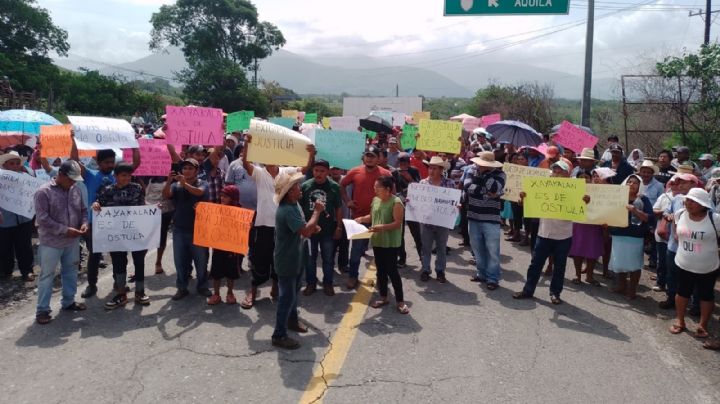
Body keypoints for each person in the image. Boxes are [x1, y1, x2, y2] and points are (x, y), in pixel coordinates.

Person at [239, 135, 312, 309]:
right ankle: (253, 290)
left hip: (282, 226)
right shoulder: (259, 172)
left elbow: (304, 168)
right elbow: (245, 165)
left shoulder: (287, 172)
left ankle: (274, 288)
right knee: (258, 258)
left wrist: (310, 154)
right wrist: (247, 143)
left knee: (278, 259)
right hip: (263, 224)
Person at [513, 161, 590, 304]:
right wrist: (523, 198)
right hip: (544, 233)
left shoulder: (575, 190)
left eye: (560, 172)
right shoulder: (543, 187)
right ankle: (528, 290)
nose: (557, 174)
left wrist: (585, 201)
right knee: (536, 264)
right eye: (555, 171)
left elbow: (582, 208)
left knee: (559, 267)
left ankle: (555, 293)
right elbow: (524, 204)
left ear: (568, 175)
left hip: (564, 236)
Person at [72, 141, 140, 299]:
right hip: (94, 223)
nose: (110, 165)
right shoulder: (89, 175)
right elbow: (74, 161)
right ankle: (91, 285)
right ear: (98, 162)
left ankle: (119, 282)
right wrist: (74, 141)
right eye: (106, 162)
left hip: (117, 223)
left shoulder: (119, 175)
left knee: (119, 254)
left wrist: (134, 144)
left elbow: (136, 163)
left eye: (112, 161)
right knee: (94, 255)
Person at [272, 172, 324, 350]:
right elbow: (305, 231)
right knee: (286, 297)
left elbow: (303, 228)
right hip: (287, 259)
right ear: (288, 191)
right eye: (296, 186)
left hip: (296, 256)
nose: (299, 188)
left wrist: (311, 226)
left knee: (293, 293)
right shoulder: (287, 210)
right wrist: (317, 212)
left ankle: (292, 321)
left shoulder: (294, 205)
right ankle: (278, 334)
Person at [34, 161, 88, 324]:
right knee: (47, 275)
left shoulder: (75, 190)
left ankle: (69, 301)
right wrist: (66, 230)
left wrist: (84, 223)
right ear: (61, 175)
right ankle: (42, 310)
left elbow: (83, 210)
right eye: (70, 179)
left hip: (72, 241)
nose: (73, 183)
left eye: (74, 180)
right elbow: (43, 219)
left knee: (71, 271)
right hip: (51, 242)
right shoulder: (43, 192)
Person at [91, 162, 149, 308]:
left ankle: (140, 292)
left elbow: (142, 206)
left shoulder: (136, 188)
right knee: (118, 262)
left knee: (139, 261)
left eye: (129, 175)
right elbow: (98, 203)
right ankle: (121, 293)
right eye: (124, 175)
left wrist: (153, 209)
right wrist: (96, 205)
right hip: (116, 235)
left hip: (135, 232)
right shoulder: (107, 190)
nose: (127, 178)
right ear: (116, 176)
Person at [668, 188, 719, 340]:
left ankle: (702, 325)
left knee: (706, 296)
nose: (689, 204)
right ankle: (680, 320)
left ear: (703, 205)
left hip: (708, 266)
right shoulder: (680, 214)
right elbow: (676, 233)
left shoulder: (715, 218)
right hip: (684, 263)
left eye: (694, 201)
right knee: (682, 292)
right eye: (688, 200)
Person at [340, 146, 392, 289]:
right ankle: (352, 276)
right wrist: (347, 201)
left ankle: (381, 277)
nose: (369, 158)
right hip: (359, 219)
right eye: (367, 155)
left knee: (380, 251)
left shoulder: (386, 174)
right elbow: (342, 185)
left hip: (379, 220)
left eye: (373, 156)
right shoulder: (355, 171)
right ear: (363, 157)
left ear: (378, 158)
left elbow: (392, 194)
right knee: (356, 250)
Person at [355, 175, 409, 314]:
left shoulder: (396, 202)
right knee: (381, 271)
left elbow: (397, 223)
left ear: (387, 189)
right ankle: (384, 297)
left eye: (377, 187)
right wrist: (361, 219)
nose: (375, 190)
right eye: (374, 187)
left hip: (390, 242)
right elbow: (372, 217)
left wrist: (381, 227)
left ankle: (400, 301)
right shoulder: (376, 200)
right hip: (378, 241)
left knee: (392, 271)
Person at [162, 158, 210, 300]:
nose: (187, 171)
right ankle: (182, 288)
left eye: (190, 168)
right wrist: (169, 181)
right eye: (184, 168)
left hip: (199, 229)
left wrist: (185, 184)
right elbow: (166, 195)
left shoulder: (203, 183)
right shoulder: (176, 186)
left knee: (201, 261)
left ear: (197, 171)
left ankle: (202, 286)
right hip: (179, 229)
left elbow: (199, 193)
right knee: (180, 261)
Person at [656, 173, 701, 309]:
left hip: (694, 247)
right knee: (673, 274)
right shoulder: (676, 199)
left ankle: (695, 304)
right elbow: (666, 213)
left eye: (684, 182)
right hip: (674, 246)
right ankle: (672, 298)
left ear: (694, 184)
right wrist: (666, 218)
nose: (680, 185)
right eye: (678, 182)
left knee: (694, 276)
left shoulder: (703, 201)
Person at [464, 151, 506, 290]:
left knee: (492, 250)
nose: (480, 166)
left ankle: (492, 278)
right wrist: (488, 194)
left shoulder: (500, 174)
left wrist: (486, 175)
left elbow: (494, 188)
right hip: (473, 215)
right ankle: (481, 273)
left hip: (491, 218)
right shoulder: (471, 170)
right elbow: (467, 187)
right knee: (477, 248)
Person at [301, 160, 343, 297]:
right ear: (313, 171)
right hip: (309, 230)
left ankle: (328, 284)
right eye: (316, 170)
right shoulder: (305, 186)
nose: (319, 174)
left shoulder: (334, 187)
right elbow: (299, 208)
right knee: (309, 258)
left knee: (328, 259)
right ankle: (311, 283)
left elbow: (338, 208)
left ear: (328, 172)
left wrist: (338, 227)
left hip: (328, 230)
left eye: (322, 171)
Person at [608, 174, 653, 300]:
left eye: (635, 183)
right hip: (619, 234)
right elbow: (610, 212)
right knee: (620, 262)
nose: (631, 184)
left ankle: (632, 290)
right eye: (629, 182)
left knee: (634, 265)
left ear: (640, 186)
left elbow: (648, 218)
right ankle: (622, 286)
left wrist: (635, 211)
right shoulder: (618, 198)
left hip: (635, 236)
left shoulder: (643, 200)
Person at [419, 156, 456, 283]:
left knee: (441, 247)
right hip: (427, 221)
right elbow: (418, 202)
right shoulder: (422, 183)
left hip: (443, 221)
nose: (431, 171)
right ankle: (425, 270)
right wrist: (411, 202)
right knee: (426, 247)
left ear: (441, 170)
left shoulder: (449, 183)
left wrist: (456, 205)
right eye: (430, 168)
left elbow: (453, 201)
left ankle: (440, 271)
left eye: (434, 168)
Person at [0, 151, 35, 281]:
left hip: (23, 218)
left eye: (17, 163)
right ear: (5, 165)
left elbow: (34, 177)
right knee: (4, 246)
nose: (15, 166)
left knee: (24, 246)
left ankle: (27, 271)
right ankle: (5, 271)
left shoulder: (26, 175)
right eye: (11, 163)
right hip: (4, 219)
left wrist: (24, 168)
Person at [569, 169, 604, 286]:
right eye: (581, 177)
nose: (584, 180)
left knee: (592, 251)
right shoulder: (572, 190)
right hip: (578, 224)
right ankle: (577, 275)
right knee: (577, 250)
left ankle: (590, 276)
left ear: (591, 179)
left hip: (594, 225)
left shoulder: (598, 191)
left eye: (587, 177)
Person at [207, 185, 242, 305]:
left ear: (233, 198)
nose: (222, 198)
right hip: (218, 247)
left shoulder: (240, 212)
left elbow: (243, 228)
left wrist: (248, 225)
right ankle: (216, 294)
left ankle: (230, 293)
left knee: (231, 272)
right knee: (216, 272)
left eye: (226, 196)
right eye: (221, 195)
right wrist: (201, 210)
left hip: (232, 249)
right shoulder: (216, 209)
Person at [392, 152, 421, 267]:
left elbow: (420, 188)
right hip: (399, 206)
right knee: (399, 233)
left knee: (416, 233)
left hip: (413, 207)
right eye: (401, 163)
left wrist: (410, 179)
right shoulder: (394, 173)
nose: (403, 165)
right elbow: (393, 190)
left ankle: (422, 258)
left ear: (409, 162)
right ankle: (402, 258)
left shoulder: (414, 171)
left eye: (406, 163)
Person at [143, 175, 174, 275]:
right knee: (145, 238)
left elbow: (169, 195)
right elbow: (144, 194)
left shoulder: (172, 177)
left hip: (165, 211)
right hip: (149, 211)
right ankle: (139, 265)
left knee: (161, 236)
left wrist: (169, 180)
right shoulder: (148, 177)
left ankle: (158, 262)